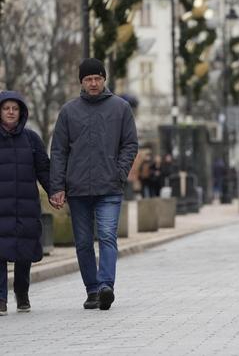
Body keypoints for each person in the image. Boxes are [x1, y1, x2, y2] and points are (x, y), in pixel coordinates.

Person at [49, 58, 138, 311]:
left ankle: (105, 286)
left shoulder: (121, 108)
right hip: (77, 189)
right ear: (81, 82)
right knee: (84, 242)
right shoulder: (68, 112)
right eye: (88, 79)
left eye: (98, 78)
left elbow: (130, 144)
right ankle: (92, 290)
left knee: (108, 236)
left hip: (109, 186)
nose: (93, 83)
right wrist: (57, 187)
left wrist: (119, 172)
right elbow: (58, 151)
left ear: (104, 79)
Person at [0, 92, 52, 316]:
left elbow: (44, 170)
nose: (11, 112)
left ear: (21, 112)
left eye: (15, 108)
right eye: (6, 108)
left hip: (26, 205)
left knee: (24, 253)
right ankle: (0, 298)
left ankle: (22, 293)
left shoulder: (32, 139)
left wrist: (55, 192)